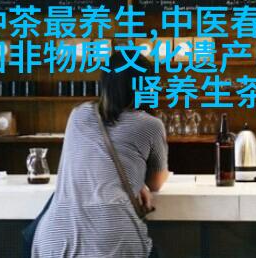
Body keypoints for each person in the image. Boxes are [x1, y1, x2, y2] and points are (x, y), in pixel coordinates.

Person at [32, 52, 169, 258]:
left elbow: (92, 164)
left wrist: (134, 181)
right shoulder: (150, 125)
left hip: (54, 240)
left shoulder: (78, 114)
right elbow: (156, 183)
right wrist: (140, 183)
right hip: (110, 241)